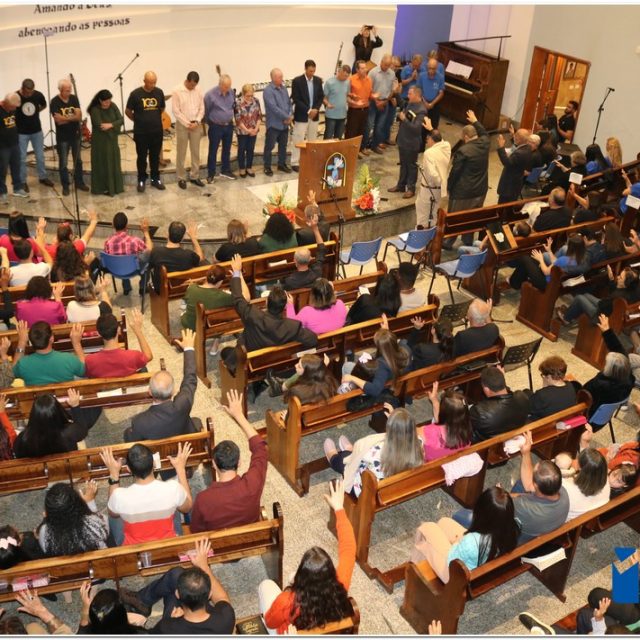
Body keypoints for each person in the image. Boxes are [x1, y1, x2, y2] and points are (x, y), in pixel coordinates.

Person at [260, 479, 355, 632]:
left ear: (302, 575)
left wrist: (293, 584)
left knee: (265, 585)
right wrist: (339, 509)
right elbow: (349, 549)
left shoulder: (287, 601)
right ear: (330, 571)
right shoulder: (341, 583)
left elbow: (271, 622)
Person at [221, 253, 317, 376]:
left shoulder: (252, 315)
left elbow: (238, 298)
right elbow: (313, 340)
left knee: (225, 352)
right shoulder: (292, 326)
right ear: (285, 307)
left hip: (251, 362)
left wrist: (236, 272)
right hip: (276, 363)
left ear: (266, 302)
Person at [191, 389, 268, 532]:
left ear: (214, 464)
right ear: (239, 462)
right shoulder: (253, 483)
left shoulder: (203, 500)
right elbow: (260, 448)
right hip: (251, 537)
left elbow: (196, 531)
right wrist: (239, 416)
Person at [120, 539, 236, 634]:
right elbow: (222, 598)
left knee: (174, 581)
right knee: (177, 574)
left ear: (178, 594)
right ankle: (142, 600)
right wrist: (204, 565)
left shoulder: (167, 627)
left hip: (176, 625)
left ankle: (142, 602)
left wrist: (176, 620)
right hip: (186, 621)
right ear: (210, 593)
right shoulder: (226, 618)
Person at [411, 486, 520, 584]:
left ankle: (412, 570)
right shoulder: (515, 527)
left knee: (427, 527)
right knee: (444, 522)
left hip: (454, 576)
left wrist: (456, 544)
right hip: (481, 556)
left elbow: (451, 561)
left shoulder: (470, 542)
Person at [101, 441, 193, 545]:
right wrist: (180, 469)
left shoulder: (119, 496)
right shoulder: (173, 488)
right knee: (177, 501)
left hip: (135, 550)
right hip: (167, 545)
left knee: (114, 510)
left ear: (128, 469)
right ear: (154, 464)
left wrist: (114, 474)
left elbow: (112, 513)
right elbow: (188, 507)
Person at [325, 409, 423, 498]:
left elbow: (358, 458)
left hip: (366, 491)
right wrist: (396, 423)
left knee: (345, 460)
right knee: (355, 453)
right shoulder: (419, 443)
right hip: (393, 484)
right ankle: (349, 449)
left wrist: (356, 451)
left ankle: (333, 457)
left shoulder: (376, 452)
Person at [124, 328, 199, 442]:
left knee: (127, 434)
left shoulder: (140, 421)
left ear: (150, 392)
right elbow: (190, 379)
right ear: (173, 391)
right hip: (183, 442)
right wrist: (188, 349)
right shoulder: (183, 403)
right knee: (196, 422)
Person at [442, 111, 490, 249]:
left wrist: (449, 187)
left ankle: (448, 242)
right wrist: (475, 121)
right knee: (472, 217)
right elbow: (484, 132)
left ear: (466, 137)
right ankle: (468, 239)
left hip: (462, 192)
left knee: (455, 217)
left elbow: (455, 172)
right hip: (480, 189)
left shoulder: (463, 151)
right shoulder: (485, 142)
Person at [341, 324, 412, 400]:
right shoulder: (405, 348)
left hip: (380, 386)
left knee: (347, 366)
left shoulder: (382, 366)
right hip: (392, 380)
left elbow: (375, 390)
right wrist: (386, 334)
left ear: (381, 348)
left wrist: (352, 378)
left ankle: (347, 392)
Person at [36, 481, 108, 556]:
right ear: (77, 503)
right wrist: (90, 502)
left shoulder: (44, 533)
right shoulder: (95, 524)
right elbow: (105, 531)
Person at [12, 391, 88, 458]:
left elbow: (17, 454)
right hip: (67, 466)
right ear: (58, 411)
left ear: (34, 414)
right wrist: (75, 406)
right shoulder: (71, 432)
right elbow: (83, 430)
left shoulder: (23, 438)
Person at [558, 265, 640, 327]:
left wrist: (614, 285)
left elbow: (604, 304)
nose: (618, 277)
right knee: (586, 295)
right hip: (606, 309)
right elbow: (612, 296)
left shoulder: (619, 295)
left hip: (600, 316)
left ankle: (566, 319)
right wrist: (611, 279)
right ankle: (572, 314)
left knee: (579, 298)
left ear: (626, 283)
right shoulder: (629, 289)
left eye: (621, 277)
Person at [80, 309, 153, 378]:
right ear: (119, 330)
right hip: (128, 386)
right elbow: (149, 356)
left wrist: (76, 343)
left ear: (99, 333)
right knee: (143, 369)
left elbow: (82, 369)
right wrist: (138, 330)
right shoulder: (133, 356)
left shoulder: (90, 361)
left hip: (105, 387)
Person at [126, 71, 166, 193]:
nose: (152, 85)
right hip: (141, 133)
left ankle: (155, 179)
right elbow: (128, 111)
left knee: (155, 157)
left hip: (156, 132)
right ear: (144, 81)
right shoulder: (135, 94)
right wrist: (138, 119)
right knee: (142, 157)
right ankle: (141, 179)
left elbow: (162, 108)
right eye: (150, 82)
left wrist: (152, 118)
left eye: (154, 82)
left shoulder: (159, 92)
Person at [12, 320, 85, 385]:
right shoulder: (69, 359)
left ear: (30, 340)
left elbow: (13, 372)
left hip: (37, 397)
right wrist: (76, 343)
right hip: (66, 396)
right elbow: (84, 371)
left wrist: (21, 341)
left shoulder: (23, 364)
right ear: (51, 338)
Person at [509, 233, 588, 292]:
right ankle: (517, 281)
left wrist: (541, 259)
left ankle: (514, 281)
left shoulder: (564, 259)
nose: (566, 244)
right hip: (554, 282)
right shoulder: (581, 257)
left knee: (525, 258)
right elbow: (556, 262)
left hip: (545, 283)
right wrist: (549, 250)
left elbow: (546, 271)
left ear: (571, 247)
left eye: (567, 243)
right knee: (530, 260)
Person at [470, 367, 530, 442]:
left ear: (486, 389)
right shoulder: (522, 398)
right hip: (519, 439)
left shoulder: (478, 412)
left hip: (492, 445)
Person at [50, 79, 88, 196]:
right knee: (63, 163)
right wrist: (72, 118)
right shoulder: (54, 102)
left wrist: (64, 118)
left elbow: (79, 117)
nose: (69, 92)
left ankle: (79, 182)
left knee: (78, 161)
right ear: (60, 90)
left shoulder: (73, 98)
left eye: (70, 89)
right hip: (63, 137)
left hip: (75, 135)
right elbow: (58, 121)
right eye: (67, 90)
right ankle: (65, 186)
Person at [388, 86, 426, 199]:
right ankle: (401, 185)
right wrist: (396, 93)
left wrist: (404, 119)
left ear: (417, 95)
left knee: (411, 166)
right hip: (403, 139)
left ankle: (411, 189)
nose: (408, 96)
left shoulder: (421, 110)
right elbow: (402, 103)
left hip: (411, 143)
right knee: (403, 164)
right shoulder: (410, 103)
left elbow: (416, 129)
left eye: (410, 94)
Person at [103, 211, 153, 296]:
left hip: (115, 270)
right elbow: (150, 250)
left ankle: (126, 287)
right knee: (147, 261)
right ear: (127, 226)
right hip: (133, 270)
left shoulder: (108, 242)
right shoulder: (135, 241)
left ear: (113, 225)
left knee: (121, 260)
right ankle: (142, 287)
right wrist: (146, 232)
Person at [16, 79, 53, 192]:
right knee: (22, 158)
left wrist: (37, 110)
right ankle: (22, 181)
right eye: (27, 92)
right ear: (22, 88)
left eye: (31, 92)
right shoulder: (16, 96)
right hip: (21, 132)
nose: (29, 94)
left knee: (40, 156)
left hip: (36, 131)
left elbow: (44, 104)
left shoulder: (38, 95)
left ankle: (42, 177)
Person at [149, 220, 204, 291]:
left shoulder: (156, 252)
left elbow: (149, 266)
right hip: (182, 289)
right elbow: (201, 257)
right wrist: (193, 237)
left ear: (167, 234)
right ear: (182, 238)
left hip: (161, 290)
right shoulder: (189, 255)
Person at [87, 89, 124, 196]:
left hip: (112, 141)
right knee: (102, 163)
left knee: (113, 162)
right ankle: (102, 187)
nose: (108, 103)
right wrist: (114, 125)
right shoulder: (95, 110)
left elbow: (121, 119)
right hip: (100, 142)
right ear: (100, 100)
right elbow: (100, 126)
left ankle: (115, 187)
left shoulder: (113, 105)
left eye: (109, 101)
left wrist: (111, 125)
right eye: (105, 102)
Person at [172, 71, 205, 189]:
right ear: (187, 81)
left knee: (196, 151)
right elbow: (176, 111)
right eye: (191, 85)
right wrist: (187, 123)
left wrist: (197, 121)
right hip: (182, 125)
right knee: (181, 152)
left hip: (196, 125)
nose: (193, 87)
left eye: (195, 85)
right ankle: (181, 177)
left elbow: (202, 107)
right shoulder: (177, 91)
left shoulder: (198, 90)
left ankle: (194, 176)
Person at [416, 121, 451, 228]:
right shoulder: (446, 147)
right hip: (440, 189)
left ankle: (421, 238)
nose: (427, 142)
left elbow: (432, 174)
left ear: (431, 139)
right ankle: (431, 236)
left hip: (429, 189)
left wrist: (436, 183)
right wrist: (431, 129)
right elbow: (441, 140)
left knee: (423, 217)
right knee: (434, 216)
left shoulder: (429, 153)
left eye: (427, 139)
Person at [423, 384, 472, 461]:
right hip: (451, 460)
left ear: (443, 411)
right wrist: (434, 400)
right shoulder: (467, 429)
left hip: (431, 463)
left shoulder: (428, 430)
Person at [291, 60, 324, 171]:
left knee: (312, 139)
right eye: (310, 71)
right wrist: (309, 110)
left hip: (314, 115)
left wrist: (316, 109)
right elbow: (296, 98)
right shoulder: (297, 81)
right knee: (298, 139)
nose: (312, 73)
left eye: (314, 71)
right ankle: (295, 162)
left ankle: (310, 160)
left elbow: (320, 96)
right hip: (302, 115)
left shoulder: (318, 80)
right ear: (305, 69)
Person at [180, 265, 233, 332]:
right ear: (220, 281)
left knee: (184, 302)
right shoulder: (223, 296)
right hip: (207, 328)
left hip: (188, 324)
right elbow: (241, 298)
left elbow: (184, 302)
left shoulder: (191, 287)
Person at [204, 73, 237, 182]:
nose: (228, 89)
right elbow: (206, 110)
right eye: (226, 86)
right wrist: (211, 122)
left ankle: (225, 170)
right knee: (213, 150)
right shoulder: (210, 95)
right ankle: (211, 174)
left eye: (229, 86)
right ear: (220, 84)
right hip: (216, 126)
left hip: (229, 125)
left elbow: (233, 107)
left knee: (227, 149)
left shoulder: (231, 92)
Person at [269, 353, 340, 402]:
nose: (295, 365)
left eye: (299, 366)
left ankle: (278, 387)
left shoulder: (296, 391)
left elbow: (288, 405)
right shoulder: (332, 382)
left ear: (307, 373)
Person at [263, 68, 293, 176]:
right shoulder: (268, 91)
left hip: (284, 124)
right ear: (274, 78)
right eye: (280, 77)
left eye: (282, 76)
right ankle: (267, 167)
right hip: (274, 124)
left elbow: (289, 103)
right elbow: (273, 108)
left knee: (283, 146)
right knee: (269, 147)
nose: (282, 78)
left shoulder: (283, 89)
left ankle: (281, 164)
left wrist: (290, 115)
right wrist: (287, 117)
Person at [281, 217, 325, 290]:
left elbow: (321, 249)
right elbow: (321, 249)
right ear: (310, 259)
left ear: (294, 260)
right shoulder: (317, 272)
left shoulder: (289, 282)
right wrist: (315, 229)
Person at [528, 356, 577, 421]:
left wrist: (545, 387)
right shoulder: (570, 386)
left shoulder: (541, 395)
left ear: (548, 376)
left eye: (543, 375)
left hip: (545, 423)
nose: (543, 377)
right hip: (563, 420)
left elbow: (529, 409)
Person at [366, 54, 396, 154]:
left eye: (388, 65)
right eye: (385, 64)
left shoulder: (392, 74)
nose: (386, 67)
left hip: (385, 102)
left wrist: (385, 101)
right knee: (369, 125)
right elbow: (369, 88)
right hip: (373, 102)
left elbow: (392, 90)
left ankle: (375, 145)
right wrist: (376, 101)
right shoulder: (373, 72)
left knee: (380, 126)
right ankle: (363, 146)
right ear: (381, 62)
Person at [0, 92, 27, 203]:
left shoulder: (12, 109)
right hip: (2, 147)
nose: (14, 109)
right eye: (12, 107)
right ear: (6, 103)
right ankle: (2, 192)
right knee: (2, 170)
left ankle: (17, 188)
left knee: (16, 167)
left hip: (14, 144)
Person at [8, 217, 52, 286]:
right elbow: (50, 262)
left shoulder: (10, 272)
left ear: (16, 254)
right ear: (32, 253)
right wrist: (40, 232)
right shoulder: (41, 268)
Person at [496, 128, 533, 203]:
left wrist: (501, 147)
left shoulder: (519, 153)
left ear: (519, 139)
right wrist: (514, 136)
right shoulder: (528, 147)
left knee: (503, 205)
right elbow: (519, 144)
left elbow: (507, 163)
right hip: (517, 182)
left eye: (516, 135)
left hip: (509, 186)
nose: (514, 136)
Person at [345, 60, 373, 156]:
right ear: (357, 69)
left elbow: (370, 94)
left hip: (365, 110)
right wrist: (354, 101)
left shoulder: (369, 80)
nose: (365, 70)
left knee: (361, 131)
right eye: (362, 68)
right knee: (351, 132)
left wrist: (374, 96)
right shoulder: (351, 79)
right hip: (354, 110)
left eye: (365, 68)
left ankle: (358, 150)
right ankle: (349, 152)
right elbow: (346, 95)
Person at [234, 83, 261, 178]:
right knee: (241, 149)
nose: (250, 98)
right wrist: (247, 130)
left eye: (251, 95)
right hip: (242, 131)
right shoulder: (238, 102)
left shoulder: (256, 101)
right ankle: (242, 168)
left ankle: (249, 167)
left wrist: (256, 129)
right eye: (247, 96)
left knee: (250, 149)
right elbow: (238, 120)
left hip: (254, 130)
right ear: (243, 94)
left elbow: (259, 116)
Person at [323, 65, 351, 140]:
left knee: (338, 138)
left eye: (347, 76)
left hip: (342, 115)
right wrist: (327, 104)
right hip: (331, 115)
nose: (345, 78)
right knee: (328, 137)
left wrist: (352, 100)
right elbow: (324, 98)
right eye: (344, 75)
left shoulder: (347, 82)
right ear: (339, 72)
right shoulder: (329, 82)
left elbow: (347, 96)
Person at [416, 57, 445, 130]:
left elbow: (441, 93)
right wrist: (425, 102)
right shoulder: (421, 76)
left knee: (433, 127)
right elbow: (418, 90)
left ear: (436, 68)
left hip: (435, 105)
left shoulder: (440, 77)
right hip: (422, 104)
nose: (431, 70)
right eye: (429, 68)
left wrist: (432, 104)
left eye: (433, 69)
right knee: (421, 126)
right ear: (427, 67)